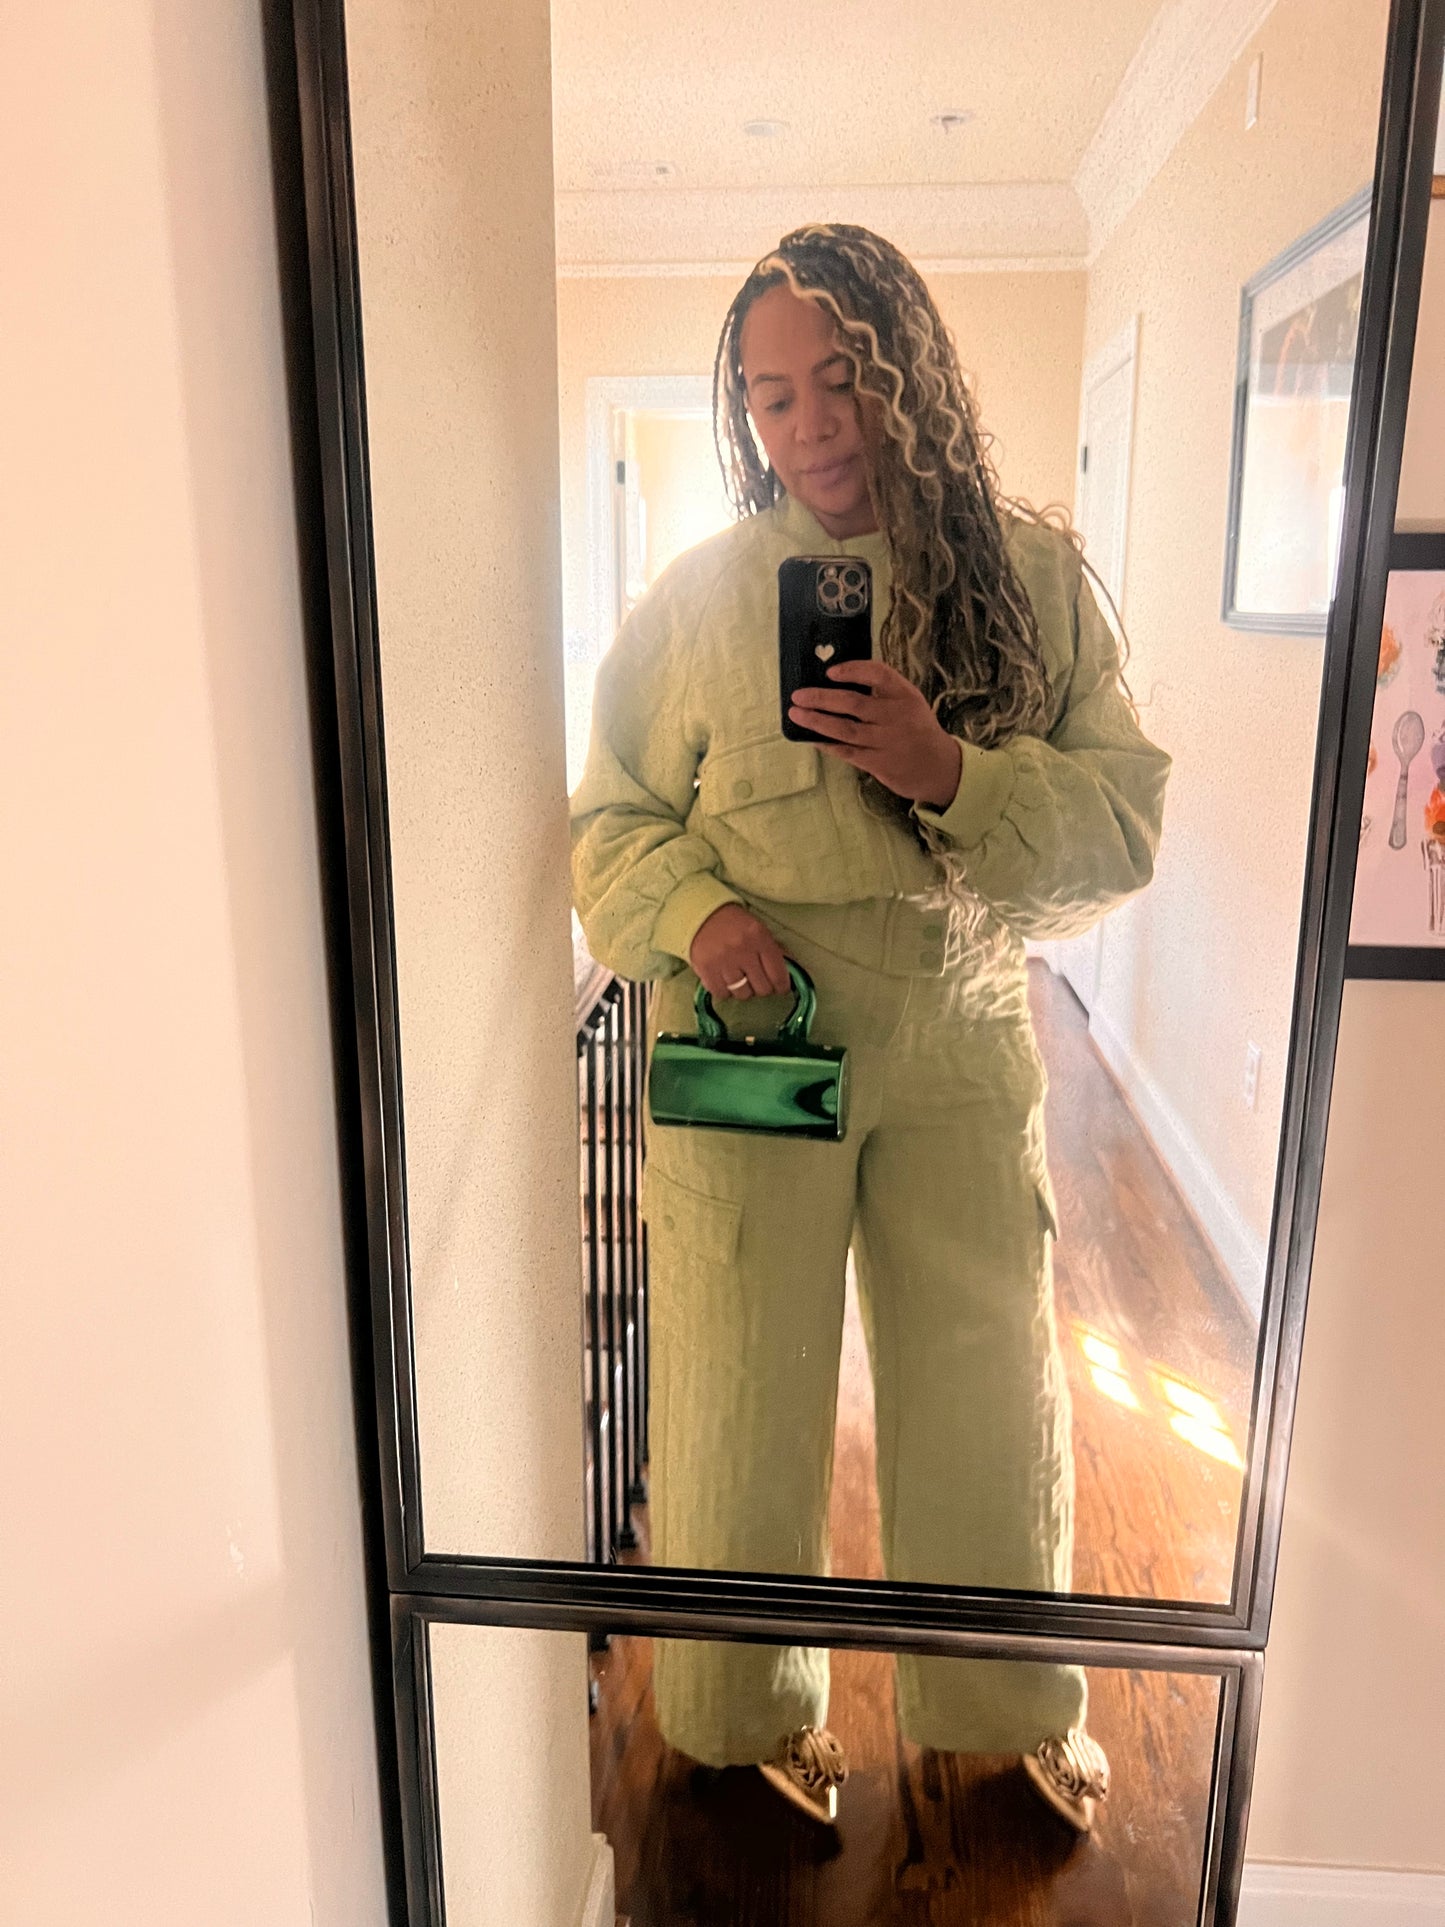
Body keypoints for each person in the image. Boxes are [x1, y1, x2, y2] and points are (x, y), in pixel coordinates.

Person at [570, 223, 1170, 1833]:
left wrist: (945, 768)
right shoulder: (701, 602)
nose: (811, 424)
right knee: (736, 1374)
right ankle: (733, 1710)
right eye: (771, 397)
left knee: (987, 1382)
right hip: (754, 1032)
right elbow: (609, 819)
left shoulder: (1030, 583)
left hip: (960, 1032)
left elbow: (1120, 831)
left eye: (840, 378)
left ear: (908, 372)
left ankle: (1005, 1700)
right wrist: (698, 916)